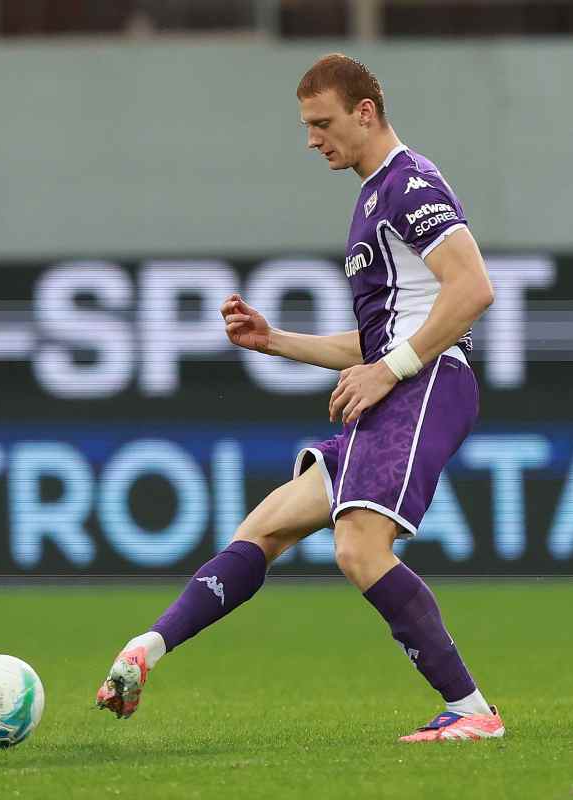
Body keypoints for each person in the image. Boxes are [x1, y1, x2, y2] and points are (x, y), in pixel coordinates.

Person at [96, 53, 502, 743]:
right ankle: (144, 652)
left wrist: (390, 369)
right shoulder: (372, 195)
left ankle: (470, 712)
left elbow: (473, 291)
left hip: (431, 381)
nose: (312, 138)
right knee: (266, 528)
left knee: (358, 549)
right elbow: (381, 337)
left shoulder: (409, 183)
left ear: (364, 112)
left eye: (322, 123)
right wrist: (275, 340)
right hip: (402, 379)